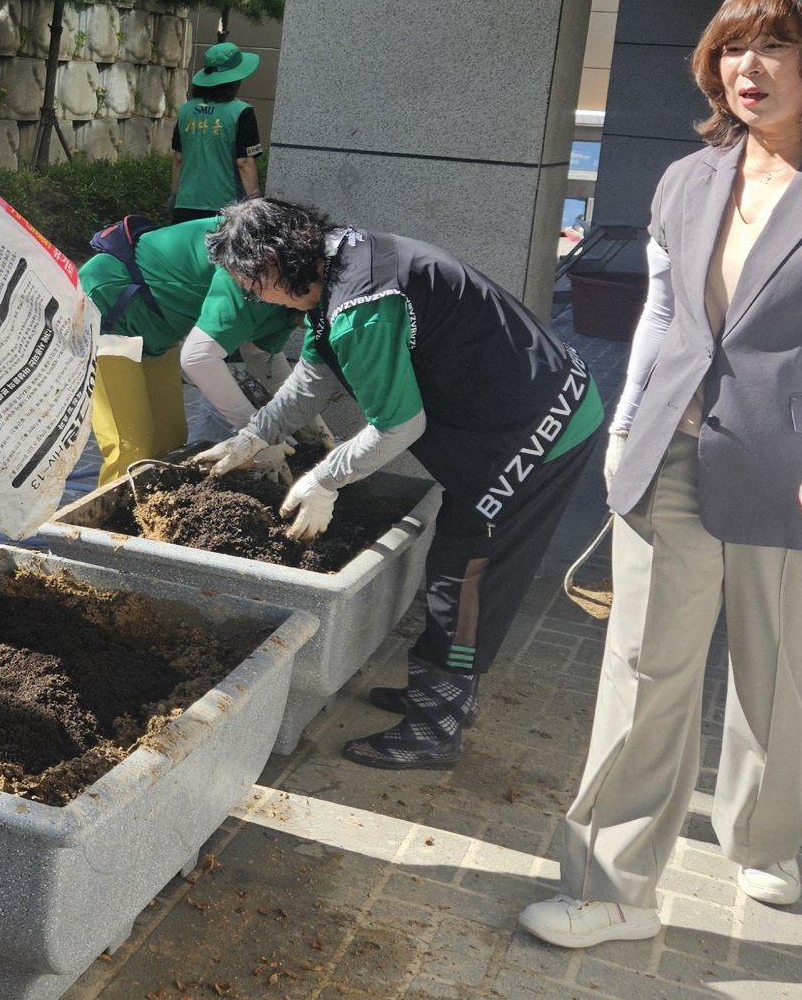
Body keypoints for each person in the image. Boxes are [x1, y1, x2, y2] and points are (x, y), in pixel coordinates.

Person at [522, 0, 802, 948]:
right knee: (642, 669)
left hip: (797, 475)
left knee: (783, 678)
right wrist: (625, 426)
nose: (749, 67)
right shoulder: (685, 179)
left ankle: (760, 836)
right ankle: (613, 887)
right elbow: (662, 317)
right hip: (672, 451)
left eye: (776, 45)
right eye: (734, 46)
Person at [196, 196, 602, 769]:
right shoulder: (339, 265)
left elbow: (398, 425)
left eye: (248, 282)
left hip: (538, 426)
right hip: (521, 407)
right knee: (461, 562)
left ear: (272, 262)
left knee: (465, 572)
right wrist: (252, 436)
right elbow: (315, 374)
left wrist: (325, 481)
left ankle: (436, 728)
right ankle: (444, 694)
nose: (248, 296)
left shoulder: (362, 305)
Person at [79, 215, 298, 482]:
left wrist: (306, 421)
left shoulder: (290, 297)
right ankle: (103, 523)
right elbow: (197, 358)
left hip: (157, 328)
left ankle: (152, 513)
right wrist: (255, 436)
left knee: (170, 440)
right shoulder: (257, 270)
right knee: (131, 449)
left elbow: (263, 357)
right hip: (107, 309)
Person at [169, 42, 263, 222]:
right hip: (226, 208)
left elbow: (178, 159)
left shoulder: (185, 110)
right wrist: (255, 205)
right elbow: (245, 163)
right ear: (235, 79)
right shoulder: (241, 112)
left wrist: (174, 196)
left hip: (185, 205)